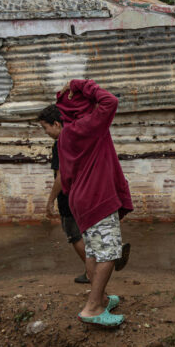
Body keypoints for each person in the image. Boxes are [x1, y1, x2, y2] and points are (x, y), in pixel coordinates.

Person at [55, 79, 134, 327]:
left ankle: (100, 298)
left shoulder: (66, 133)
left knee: (92, 251)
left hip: (79, 198)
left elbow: (65, 176)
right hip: (97, 196)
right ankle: (92, 308)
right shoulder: (90, 124)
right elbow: (110, 100)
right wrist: (80, 84)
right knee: (109, 253)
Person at [38, 106, 131, 285]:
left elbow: (61, 175)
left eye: (45, 127)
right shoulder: (81, 138)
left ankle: (94, 274)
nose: (46, 132)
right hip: (88, 195)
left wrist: (50, 201)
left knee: (75, 236)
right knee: (91, 234)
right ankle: (106, 258)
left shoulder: (61, 143)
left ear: (56, 124)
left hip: (70, 198)